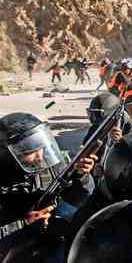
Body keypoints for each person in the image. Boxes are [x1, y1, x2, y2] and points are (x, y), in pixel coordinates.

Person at [0, 112, 97, 261]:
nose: (40, 155)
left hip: (50, 237)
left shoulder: (48, 163)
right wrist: (22, 225)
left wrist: (81, 176)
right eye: (30, 151)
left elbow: (75, 200)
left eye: (40, 147)